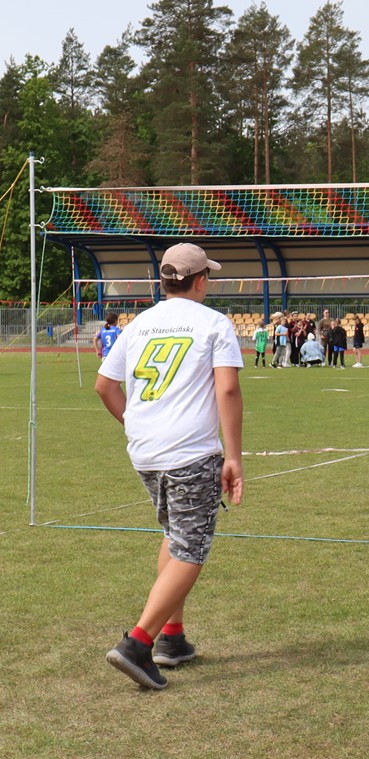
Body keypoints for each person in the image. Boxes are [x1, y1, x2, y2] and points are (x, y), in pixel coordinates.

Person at [95, 242, 244, 690]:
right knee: (191, 549)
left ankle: (172, 638)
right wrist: (234, 456)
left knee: (174, 535)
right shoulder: (214, 323)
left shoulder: (139, 324)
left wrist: (136, 424)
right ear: (201, 280)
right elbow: (228, 390)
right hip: (190, 451)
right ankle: (137, 643)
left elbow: (105, 386)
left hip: (146, 451)